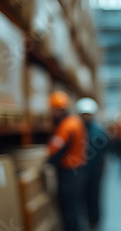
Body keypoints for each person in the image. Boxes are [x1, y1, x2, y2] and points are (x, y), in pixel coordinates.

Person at [47, 91, 88, 231]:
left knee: (68, 208)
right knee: (75, 207)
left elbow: (56, 151)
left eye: (53, 110)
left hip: (69, 173)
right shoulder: (76, 121)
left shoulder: (67, 125)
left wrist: (46, 163)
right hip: (78, 170)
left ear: (59, 109)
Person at [76, 97, 109, 231]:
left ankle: (94, 221)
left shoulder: (98, 131)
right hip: (81, 169)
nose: (86, 117)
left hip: (95, 169)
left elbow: (102, 152)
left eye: (88, 114)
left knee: (93, 195)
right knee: (82, 196)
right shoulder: (78, 128)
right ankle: (86, 220)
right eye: (83, 114)